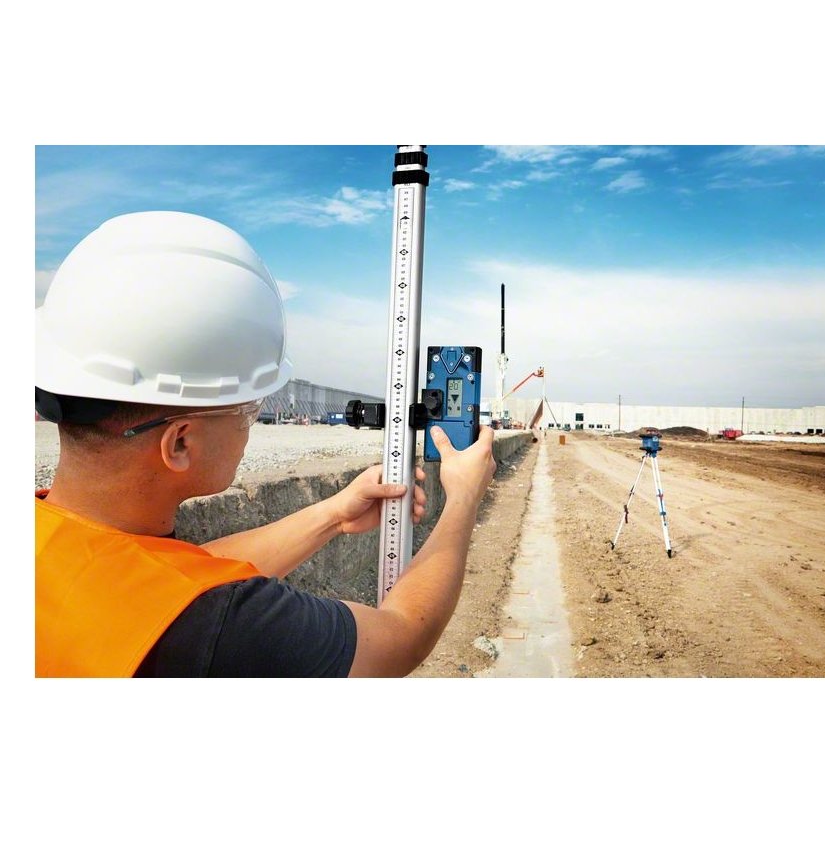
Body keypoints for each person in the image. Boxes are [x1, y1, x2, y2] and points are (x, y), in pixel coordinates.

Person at [35, 211, 496, 678]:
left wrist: (333, 515)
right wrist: (463, 497)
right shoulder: (222, 627)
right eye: (247, 410)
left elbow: (169, 577)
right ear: (180, 443)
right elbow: (400, 638)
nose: (250, 424)